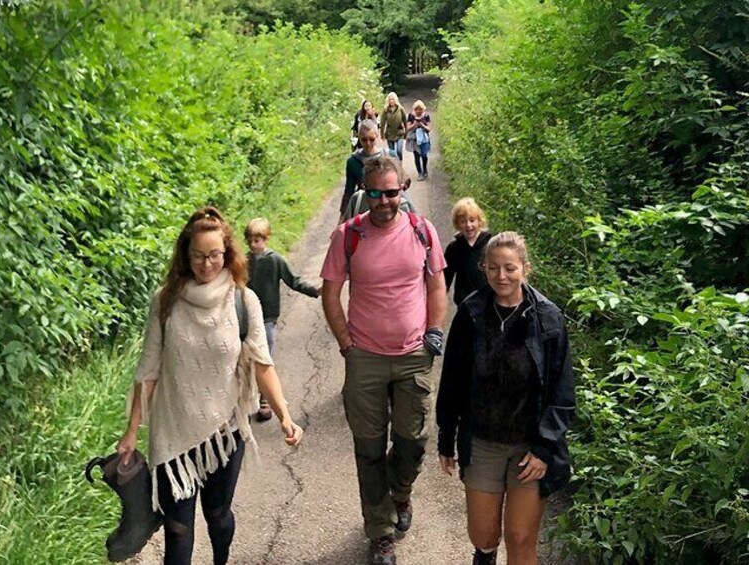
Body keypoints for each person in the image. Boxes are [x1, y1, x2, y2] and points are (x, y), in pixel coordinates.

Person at [116, 206, 304, 565]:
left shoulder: (242, 300)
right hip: (173, 433)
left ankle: (221, 558)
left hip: (225, 432)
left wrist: (284, 416)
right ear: (186, 256)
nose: (207, 264)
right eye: (199, 256)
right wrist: (131, 432)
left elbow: (263, 366)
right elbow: (148, 371)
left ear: (228, 253)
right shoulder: (165, 301)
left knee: (218, 517)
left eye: (215, 255)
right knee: (178, 529)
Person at [321, 156, 447, 565]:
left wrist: (434, 332)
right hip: (366, 359)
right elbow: (330, 292)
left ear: (402, 189)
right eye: (374, 193)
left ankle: (401, 494)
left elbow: (435, 284)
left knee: (412, 442)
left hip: (413, 355)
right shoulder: (348, 236)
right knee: (369, 449)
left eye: (391, 192)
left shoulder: (422, 231)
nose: (383, 201)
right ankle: (380, 532)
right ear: (365, 192)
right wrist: (345, 343)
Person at [436, 232, 575, 565]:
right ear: (484, 268)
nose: (502, 276)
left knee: (521, 538)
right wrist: (447, 437)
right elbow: (452, 379)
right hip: (483, 441)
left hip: (531, 447)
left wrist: (545, 448)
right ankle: (484, 556)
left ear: (525, 268)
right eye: (494, 267)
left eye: (510, 268)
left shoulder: (548, 318)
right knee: (483, 535)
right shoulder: (470, 314)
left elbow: (562, 392)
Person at [245, 217, 321, 421]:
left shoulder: (275, 260)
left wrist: (313, 290)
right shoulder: (243, 262)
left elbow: (293, 280)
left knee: (264, 357)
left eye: (257, 240)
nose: (253, 244)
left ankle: (264, 399)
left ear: (267, 238)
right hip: (246, 318)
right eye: (250, 240)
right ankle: (245, 398)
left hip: (268, 318)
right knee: (244, 359)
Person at [340, 119, 398, 215]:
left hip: (388, 204)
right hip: (364, 207)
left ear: (377, 136)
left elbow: (401, 182)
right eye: (364, 139)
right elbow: (349, 191)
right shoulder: (353, 161)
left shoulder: (390, 156)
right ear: (358, 137)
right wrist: (343, 216)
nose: (368, 143)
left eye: (371, 139)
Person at [443, 198, 492, 306]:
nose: (468, 225)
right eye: (463, 221)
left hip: (488, 299)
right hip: (464, 302)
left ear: (479, 221)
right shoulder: (454, 247)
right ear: (457, 224)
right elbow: (446, 276)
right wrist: (440, 297)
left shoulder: (490, 243)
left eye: (472, 220)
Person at [406, 100, 432, 180]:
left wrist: (422, 125)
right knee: (416, 156)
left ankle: (425, 169)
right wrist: (414, 124)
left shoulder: (426, 116)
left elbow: (429, 129)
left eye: (420, 109)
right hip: (414, 139)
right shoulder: (411, 116)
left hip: (424, 139)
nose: (418, 111)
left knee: (424, 155)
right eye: (416, 109)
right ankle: (419, 173)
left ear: (423, 109)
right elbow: (407, 128)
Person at [380, 92, 407, 162]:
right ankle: (395, 165)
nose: (391, 101)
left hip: (399, 133)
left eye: (393, 99)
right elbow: (382, 123)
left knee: (399, 150)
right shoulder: (385, 110)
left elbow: (405, 121)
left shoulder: (400, 109)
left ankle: (400, 162)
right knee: (392, 153)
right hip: (389, 134)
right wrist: (382, 134)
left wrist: (406, 132)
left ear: (396, 100)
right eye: (390, 99)